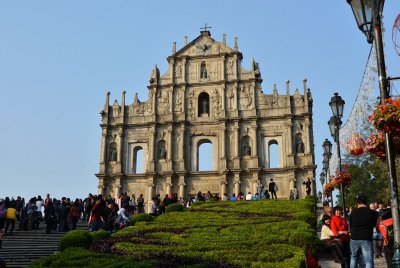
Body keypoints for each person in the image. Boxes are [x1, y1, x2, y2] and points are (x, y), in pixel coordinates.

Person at [349, 194, 377, 268]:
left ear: (358, 203)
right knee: (368, 260)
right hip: (366, 238)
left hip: (354, 238)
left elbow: (351, 225)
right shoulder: (372, 213)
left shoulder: (353, 213)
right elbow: (374, 225)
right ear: (366, 203)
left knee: (354, 258)